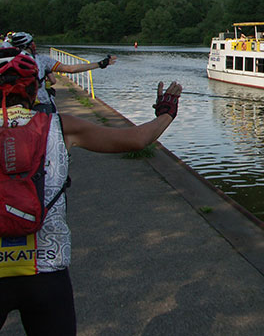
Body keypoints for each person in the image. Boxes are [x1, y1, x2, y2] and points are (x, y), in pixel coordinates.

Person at [0, 47, 181, 335]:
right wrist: (166, 113)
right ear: (35, 91)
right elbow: (136, 139)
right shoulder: (60, 126)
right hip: (46, 270)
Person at [10, 32, 117, 113]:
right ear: (30, 46)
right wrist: (100, 64)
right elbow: (70, 69)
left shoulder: (7, 62)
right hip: (40, 104)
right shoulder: (41, 60)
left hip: (14, 107)